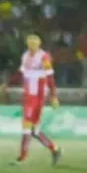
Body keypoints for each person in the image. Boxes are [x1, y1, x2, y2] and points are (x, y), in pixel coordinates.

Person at [15, 34, 62, 165]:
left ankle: (22, 157)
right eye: (30, 43)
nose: (32, 45)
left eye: (34, 43)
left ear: (39, 44)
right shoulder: (25, 56)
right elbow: (23, 74)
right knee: (34, 130)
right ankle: (55, 149)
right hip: (28, 95)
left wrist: (53, 96)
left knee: (27, 125)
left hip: (38, 96)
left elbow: (50, 77)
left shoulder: (43, 57)